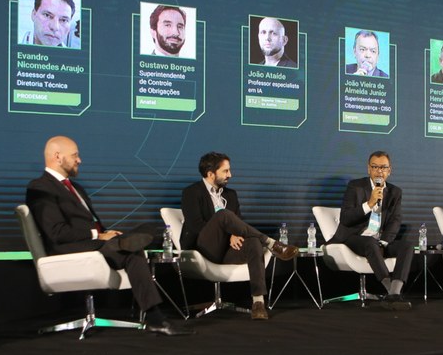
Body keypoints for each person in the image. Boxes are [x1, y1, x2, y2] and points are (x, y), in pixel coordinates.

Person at [25, 136, 194, 335]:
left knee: (144, 232)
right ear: (57, 157)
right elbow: (57, 233)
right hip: (67, 249)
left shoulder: (76, 188)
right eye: (75, 155)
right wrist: (97, 235)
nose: (79, 160)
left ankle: (123, 245)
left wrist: (104, 234)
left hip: (96, 243)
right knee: (130, 250)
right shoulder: (40, 187)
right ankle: (155, 317)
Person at [180, 152, 299, 320]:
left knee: (252, 243)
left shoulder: (231, 195)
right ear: (210, 173)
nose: (230, 175)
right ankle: (270, 242)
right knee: (222, 215)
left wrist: (234, 233)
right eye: (225, 171)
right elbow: (195, 225)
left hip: (228, 251)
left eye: (229, 170)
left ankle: (258, 302)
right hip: (203, 249)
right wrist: (226, 233)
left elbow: (239, 224)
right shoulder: (191, 192)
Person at [328, 151, 413, 310]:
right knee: (369, 242)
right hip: (354, 238)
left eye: (383, 167)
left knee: (407, 246)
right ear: (368, 169)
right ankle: (391, 293)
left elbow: (396, 220)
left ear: (389, 170)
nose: (379, 171)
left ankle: (394, 293)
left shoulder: (395, 192)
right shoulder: (356, 186)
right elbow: (346, 218)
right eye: (375, 167)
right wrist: (370, 203)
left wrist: (384, 242)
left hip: (379, 240)